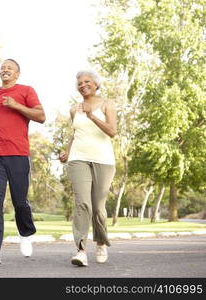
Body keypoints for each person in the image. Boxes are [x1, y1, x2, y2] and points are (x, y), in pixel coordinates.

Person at [0, 59, 46, 265]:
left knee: (19, 201)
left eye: (9, 67)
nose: (5, 69)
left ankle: (25, 233)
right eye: (3, 67)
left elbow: (41, 116)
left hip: (18, 154)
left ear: (17, 74)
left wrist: (16, 105)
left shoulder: (26, 91)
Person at [59, 70, 117, 267]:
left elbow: (112, 131)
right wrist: (67, 152)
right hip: (78, 158)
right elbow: (75, 134)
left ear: (96, 84)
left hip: (103, 160)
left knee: (98, 207)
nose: (83, 85)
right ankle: (81, 250)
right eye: (79, 83)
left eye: (87, 81)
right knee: (82, 203)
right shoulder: (75, 109)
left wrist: (92, 116)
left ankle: (101, 242)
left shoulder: (107, 104)